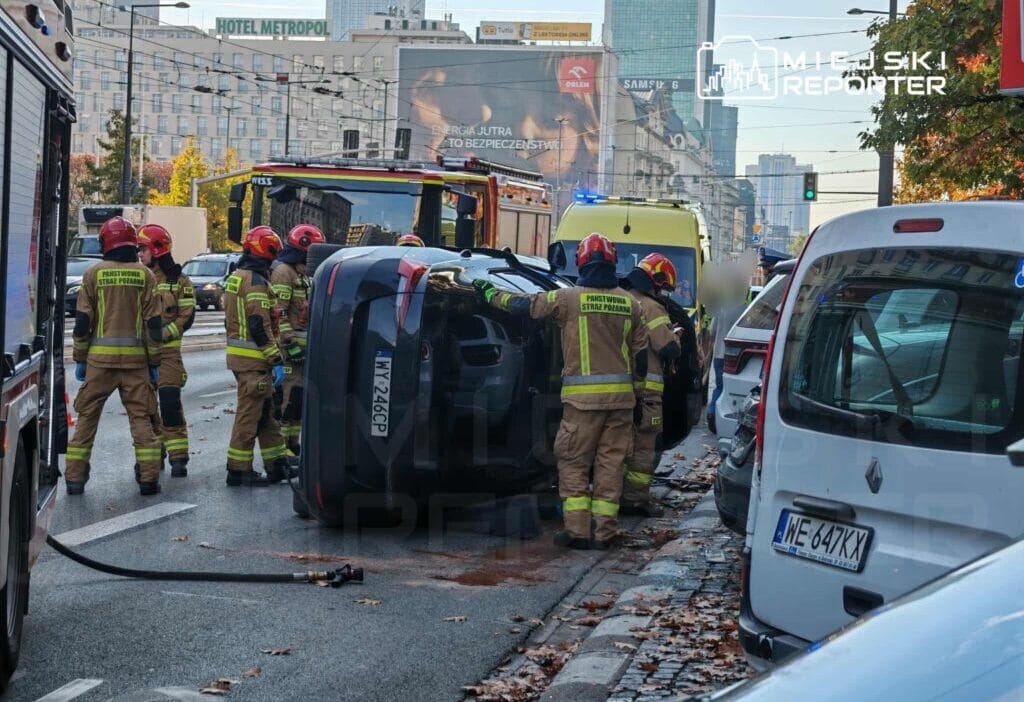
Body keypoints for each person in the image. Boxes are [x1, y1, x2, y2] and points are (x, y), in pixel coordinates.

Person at [473, 232, 647, 550]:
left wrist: (488, 293)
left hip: (583, 403)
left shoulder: (568, 299)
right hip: (621, 402)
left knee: (573, 462)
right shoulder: (631, 304)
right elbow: (642, 356)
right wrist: (638, 398)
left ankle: (577, 532)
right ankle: (605, 532)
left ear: (581, 262)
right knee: (610, 465)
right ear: (612, 262)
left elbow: (522, 305)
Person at [66, 217, 164, 496]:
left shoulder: (94, 274)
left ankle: (74, 479)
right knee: (141, 419)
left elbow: (83, 321)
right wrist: (154, 362)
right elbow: (153, 325)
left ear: (105, 242)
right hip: (136, 365)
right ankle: (148, 479)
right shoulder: (145, 275)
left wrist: (81, 357)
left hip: (99, 363)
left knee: (87, 418)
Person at [224, 226, 293, 487]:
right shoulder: (255, 281)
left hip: (244, 359)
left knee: (265, 413)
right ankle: (238, 470)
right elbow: (258, 325)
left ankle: (277, 466)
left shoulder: (237, 276)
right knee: (249, 414)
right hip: (254, 360)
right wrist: (276, 359)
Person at [621, 253, 682, 516]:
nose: (662, 294)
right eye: (661, 289)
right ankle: (634, 500)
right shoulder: (652, 307)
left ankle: (610, 497)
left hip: (619, 389)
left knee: (618, 447)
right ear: (655, 282)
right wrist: (676, 337)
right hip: (647, 392)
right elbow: (667, 348)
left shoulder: (620, 299)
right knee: (644, 448)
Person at [137, 223, 196, 477]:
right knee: (146, 409)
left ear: (157, 249)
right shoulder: (138, 278)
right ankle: (153, 455)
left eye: (143, 249)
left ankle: (179, 457)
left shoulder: (180, 281)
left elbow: (188, 316)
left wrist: (165, 333)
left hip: (169, 355)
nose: (139, 254)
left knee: (170, 404)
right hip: (141, 356)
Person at [271, 223, 325, 454]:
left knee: (298, 399)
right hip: (291, 351)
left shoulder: (304, 273)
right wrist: (289, 342)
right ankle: (283, 449)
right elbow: (279, 311)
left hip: (305, 351)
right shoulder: (284, 272)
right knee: (288, 399)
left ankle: (293, 444)